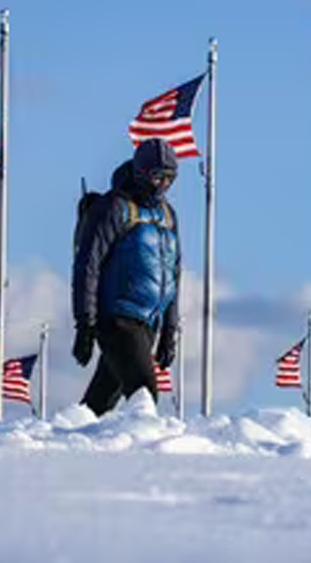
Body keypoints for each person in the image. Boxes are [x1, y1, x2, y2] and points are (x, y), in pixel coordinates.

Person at [72, 138, 181, 416]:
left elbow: (173, 274)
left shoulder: (168, 215)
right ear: (141, 173)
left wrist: (169, 332)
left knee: (98, 407)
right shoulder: (114, 208)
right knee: (144, 394)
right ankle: (146, 460)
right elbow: (88, 264)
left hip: (148, 323)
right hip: (117, 321)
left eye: (169, 178)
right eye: (157, 176)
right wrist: (85, 323)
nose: (163, 185)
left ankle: (69, 444)